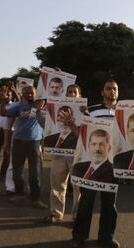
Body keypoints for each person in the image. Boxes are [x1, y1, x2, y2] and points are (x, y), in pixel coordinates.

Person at [70, 79, 120, 248]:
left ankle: (106, 237)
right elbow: (81, 135)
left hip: (113, 166)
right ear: (102, 92)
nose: (112, 91)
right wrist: (71, 124)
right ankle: (79, 236)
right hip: (90, 163)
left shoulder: (124, 111)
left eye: (114, 89)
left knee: (109, 204)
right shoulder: (91, 111)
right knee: (86, 202)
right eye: (108, 88)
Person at [0, 85, 47, 209]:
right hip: (18, 141)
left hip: (34, 142)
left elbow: (52, 93)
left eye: (31, 93)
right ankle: (19, 194)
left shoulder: (41, 104)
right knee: (17, 172)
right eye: (26, 93)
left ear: (36, 93)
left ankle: (35, 199)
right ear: (22, 94)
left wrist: (55, 73)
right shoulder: (18, 106)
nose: (29, 95)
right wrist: (3, 100)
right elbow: (3, 112)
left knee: (34, 173)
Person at [42, 84, 82, 224]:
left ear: (79, 95)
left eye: (74, 92)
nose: (71, 94)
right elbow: (44, 123)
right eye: (69, 92)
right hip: (58, 156)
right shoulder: (52, 138)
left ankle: (77, 217)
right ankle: (56, 214)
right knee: (57, 185)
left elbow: (86, 137)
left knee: (78, 188)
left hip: (77, 156)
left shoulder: (85, 114)